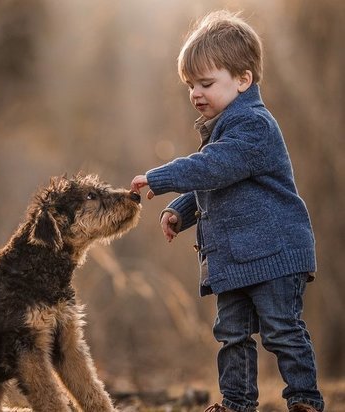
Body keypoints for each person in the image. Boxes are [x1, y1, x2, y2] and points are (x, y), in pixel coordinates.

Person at [130, 10, 324, 412]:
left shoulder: (253, 125)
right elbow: (217, 182)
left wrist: (163, 176)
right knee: (231, 334)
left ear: (242, 80)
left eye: (206, 82)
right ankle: (236, 403)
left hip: (275, 253)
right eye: (190, 85)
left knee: (282, 331)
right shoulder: (223, 129)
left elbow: (216, 166)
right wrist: (181, 213)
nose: (196, 93)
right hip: (236, 259)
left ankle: (304, 400)